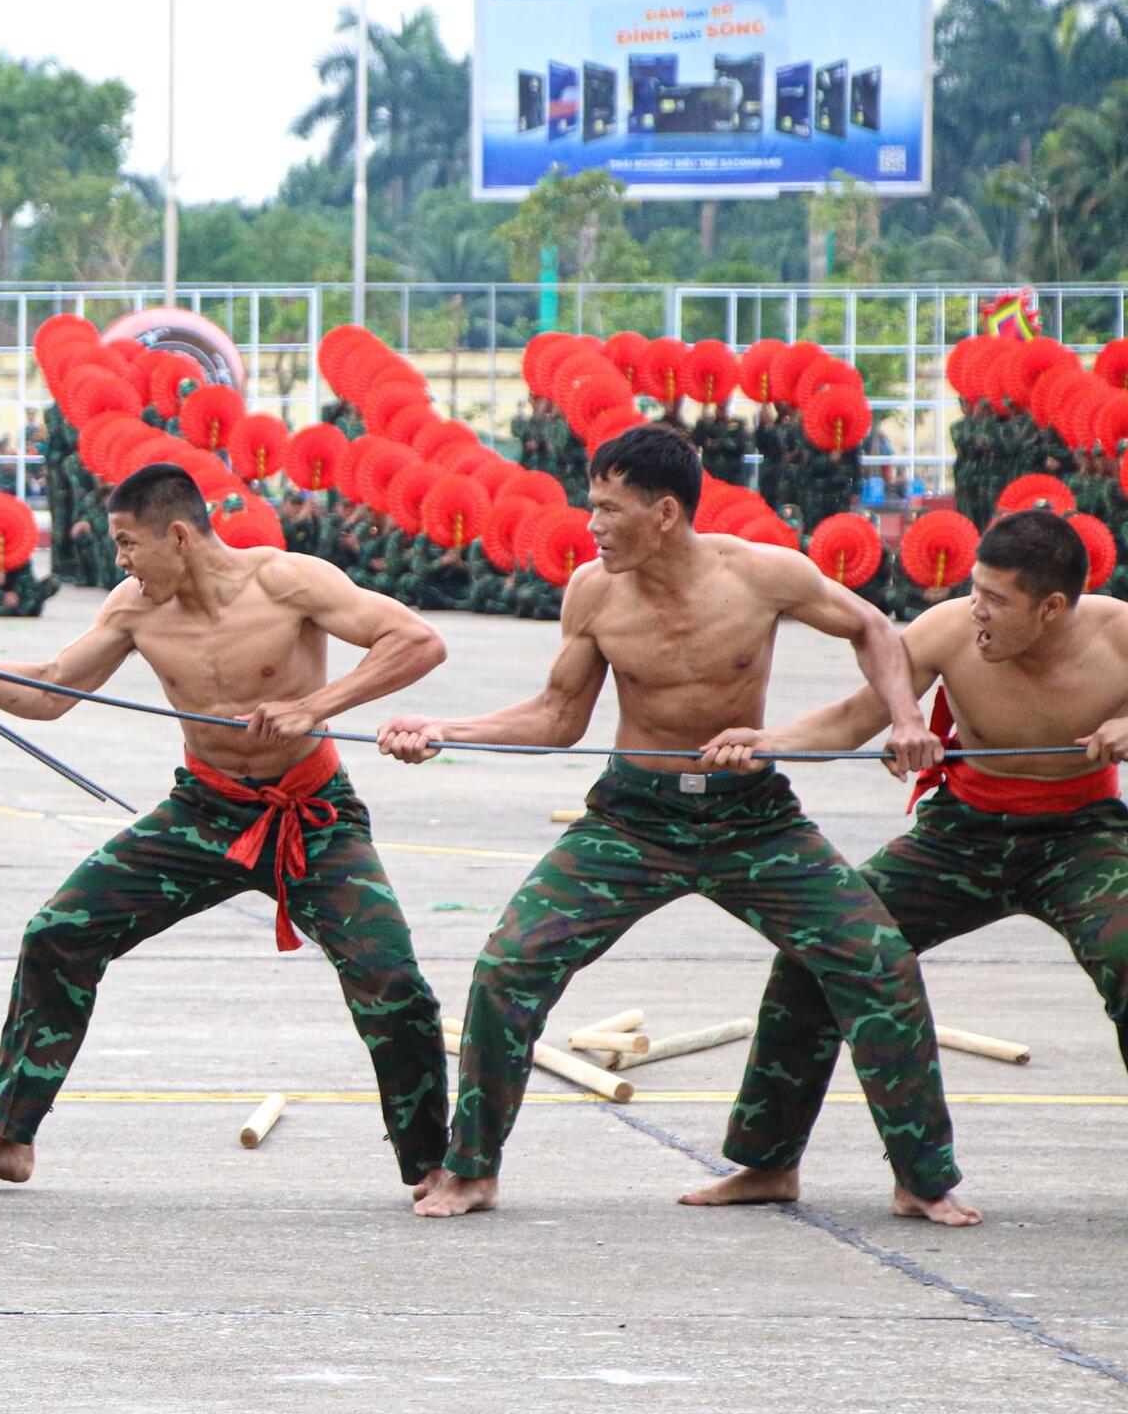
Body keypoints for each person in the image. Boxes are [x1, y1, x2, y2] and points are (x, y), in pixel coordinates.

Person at [376, 423, 977, 1224]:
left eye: (607, 509)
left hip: (752, 820)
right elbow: (559, 717)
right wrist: (446, 731)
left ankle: (911, 1178)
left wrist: (905, 718)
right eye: (589, 507)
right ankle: (472, 1169)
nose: (591, 526)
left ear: (664, 513)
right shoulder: (593, 591)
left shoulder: (763, 575)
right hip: (633, 820)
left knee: (877, 963)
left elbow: (871, 626)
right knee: (509, 967)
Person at [0, 462, 452, 1196]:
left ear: (181, 535)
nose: (119, 561)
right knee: (58, 932)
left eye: (129, 544)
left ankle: (432, 1165)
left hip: (309, 813)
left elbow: (416, 642)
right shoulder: (135, 609)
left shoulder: (288, 582)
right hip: (202, 811)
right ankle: (11, 1138)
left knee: (392, 980)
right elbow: (50, 690)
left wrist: (317, 706)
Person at [682, 509, 1128, 1210]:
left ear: (1051, 608)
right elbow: (852, 718)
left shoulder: (1118, 635)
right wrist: (768, 742)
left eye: (997, 601)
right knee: (821, 946)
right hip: (960, 833)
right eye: (975, 590)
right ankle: (768, 1163)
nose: (977, 611)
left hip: (1080, 836)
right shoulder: (951, 630)